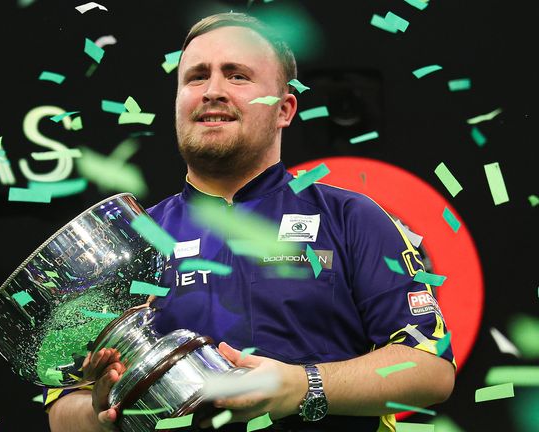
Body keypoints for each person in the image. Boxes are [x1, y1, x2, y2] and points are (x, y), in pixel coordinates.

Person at [46, 12, 455, 432]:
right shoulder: (131, 243)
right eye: (196, 77)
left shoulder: (353, 218)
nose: (212, 91)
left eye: (237, 76)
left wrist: (301, 386)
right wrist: (102, 412)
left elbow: (430, 368)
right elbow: (63, 409)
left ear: (284, 109)